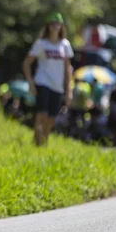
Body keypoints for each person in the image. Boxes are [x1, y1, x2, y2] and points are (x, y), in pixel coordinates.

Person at [22, 13, 74, 146]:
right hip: (42, 82)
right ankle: (37, 140)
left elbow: (68, 69)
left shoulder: (65, 45)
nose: (55, 26)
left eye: (58, 24)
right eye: (52, 24)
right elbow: (27, 63)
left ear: (61, 26)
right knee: (42, 114)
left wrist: (69, 90)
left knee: (52, 117)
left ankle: (44, 139)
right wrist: (30, 83)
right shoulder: (41, 44)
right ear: (48, 26)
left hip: (57, 86)